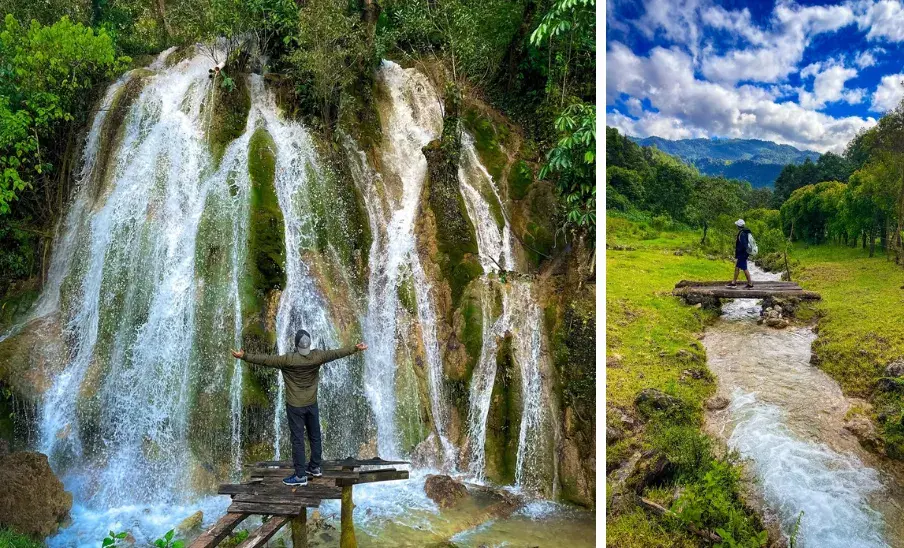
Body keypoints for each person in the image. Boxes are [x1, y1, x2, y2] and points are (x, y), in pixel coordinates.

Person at [231, 329, 367, 486]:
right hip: (311, 404)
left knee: (298, 440)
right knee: (315, 435)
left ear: (296, 345)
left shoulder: (288, 359)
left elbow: (265, 360)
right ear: (309, 345)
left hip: (295, 406)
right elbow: (336, 353)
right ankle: (315, 467)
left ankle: (300, 475)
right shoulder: (318, 356)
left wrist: (244, 356)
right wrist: (355, 348)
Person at [727, 219, 754, 289]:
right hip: (744, 253)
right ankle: (734, 282)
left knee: (744, 268)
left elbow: (744, 244)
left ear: (738, 226)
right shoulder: (746, 232)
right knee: (737, 267)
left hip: (742, 254)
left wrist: (741, 253)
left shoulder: (742, 234)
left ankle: (749, 283)